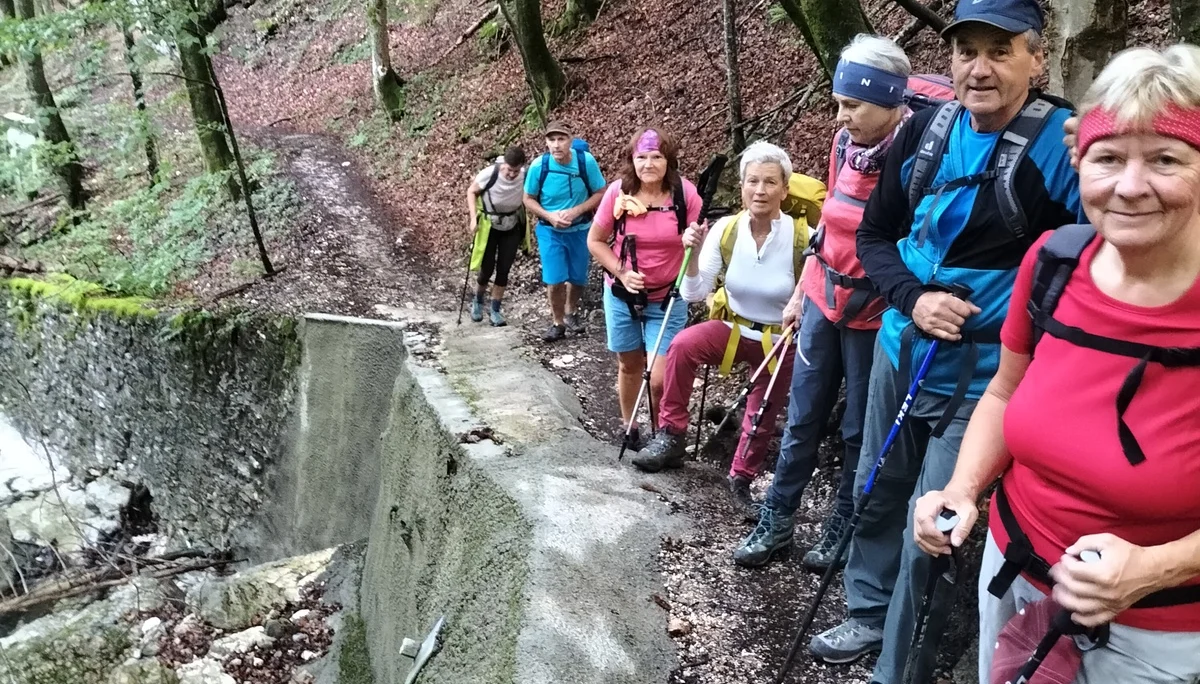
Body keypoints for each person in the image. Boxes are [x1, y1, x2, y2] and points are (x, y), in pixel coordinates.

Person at [807, 0, 1082, 679]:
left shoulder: (1063, 146)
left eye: (1000, 50)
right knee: (876, 485)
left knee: (934, 522)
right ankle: (866, 612)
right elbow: (875, 235)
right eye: (966, 52)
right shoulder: (925, 132)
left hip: (987, 377)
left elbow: (1094, 254)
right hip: (903, 349)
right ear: (950, 61)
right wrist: (914, 297)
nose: (979, 68)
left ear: (1037, 59)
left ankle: (899, 666)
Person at [914, 43, 1200, 684]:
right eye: (1107, 158)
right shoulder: (1054, 261)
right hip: (1014, 573)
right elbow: (1003, 393)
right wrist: (962, 489)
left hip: (1157, 628)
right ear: (1080, 164)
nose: (1129, 187)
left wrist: (1158, 567)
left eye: (1165, 159)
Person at [733, 34, 914, 572]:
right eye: (838, 103)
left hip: (872, 311)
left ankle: (842, 523)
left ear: (887, 100)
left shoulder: (914, 158)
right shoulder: (845, 148)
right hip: (820, 297)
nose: (840, 117)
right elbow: (827, 226)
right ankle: (779, 516)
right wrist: (800, 292)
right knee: (802, 416)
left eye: (852, 105)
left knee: (858, 428)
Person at [632, 141, 818, 513]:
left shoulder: (805, 237)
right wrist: (694, 255)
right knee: (683, 345)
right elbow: (695, 292)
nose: (760, 190)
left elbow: (817, 293)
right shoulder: (726, 230)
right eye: (752, 181)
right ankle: (671, 436)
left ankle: (741, 477)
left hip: (778, 340)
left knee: (763, 408)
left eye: (769, 182)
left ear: (785, 188)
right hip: (733, 329)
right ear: (742, 186)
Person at [587, 128, 702, 450]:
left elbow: (699, 252)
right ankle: (630, 426)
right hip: (622, 295)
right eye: (641, 157)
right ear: (632, 160)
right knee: (629, 364)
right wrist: (622, 272)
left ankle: (662, 434)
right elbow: (595, 241)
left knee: (659, 378)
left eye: (656, 157)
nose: (648, 164)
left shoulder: (685, 195)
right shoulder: (617, 193)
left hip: (667, 297)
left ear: (669, 161)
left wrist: (695, 243)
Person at [524, 121, 606, 342]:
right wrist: (550, 216)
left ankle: (571, 312)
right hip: (549, 230)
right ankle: (557, 323)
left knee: (578, 277)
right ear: (546, 142)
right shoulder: (538, 166)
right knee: (554, 279)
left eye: (561, 139)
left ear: (571, 141)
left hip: (580, 229)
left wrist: (575, 211)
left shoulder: (585, 162)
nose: (556, 145)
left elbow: (600, 192)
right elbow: (528, 199)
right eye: (552, 140)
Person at [466, 146, 528, 326]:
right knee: (486, 267)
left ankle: (495, 310)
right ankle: (478, 301)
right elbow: (471, 191)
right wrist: (473, 218)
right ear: (504, 165)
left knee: (504, 269)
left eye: (515, 171)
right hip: (489, 225)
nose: (511, 174)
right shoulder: (489, 174)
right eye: (509, 170)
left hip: (512, 225)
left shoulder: (525, 175)